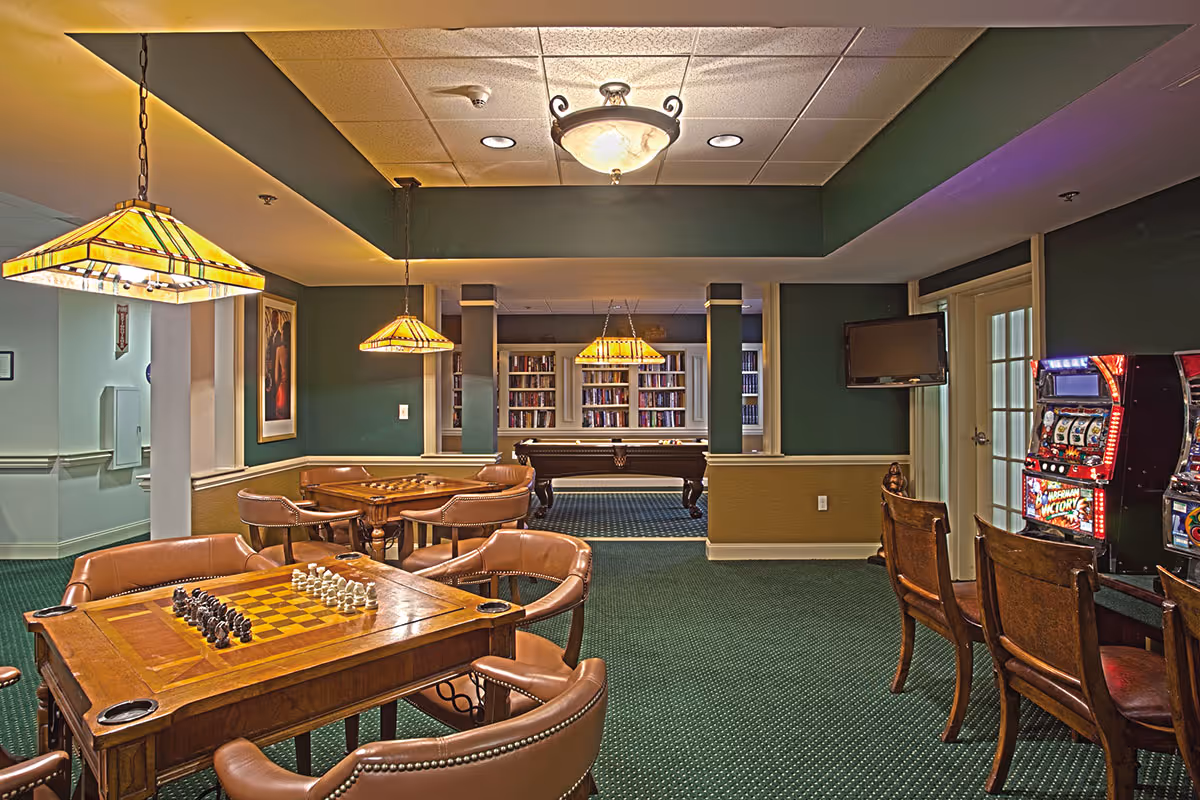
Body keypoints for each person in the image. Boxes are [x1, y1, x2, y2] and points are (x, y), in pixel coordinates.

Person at [271, 319, 291, 421]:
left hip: (282, 388)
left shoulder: (279, 350)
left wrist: (275, 389)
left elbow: (276, 376)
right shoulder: (293, 350)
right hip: (290, 390)